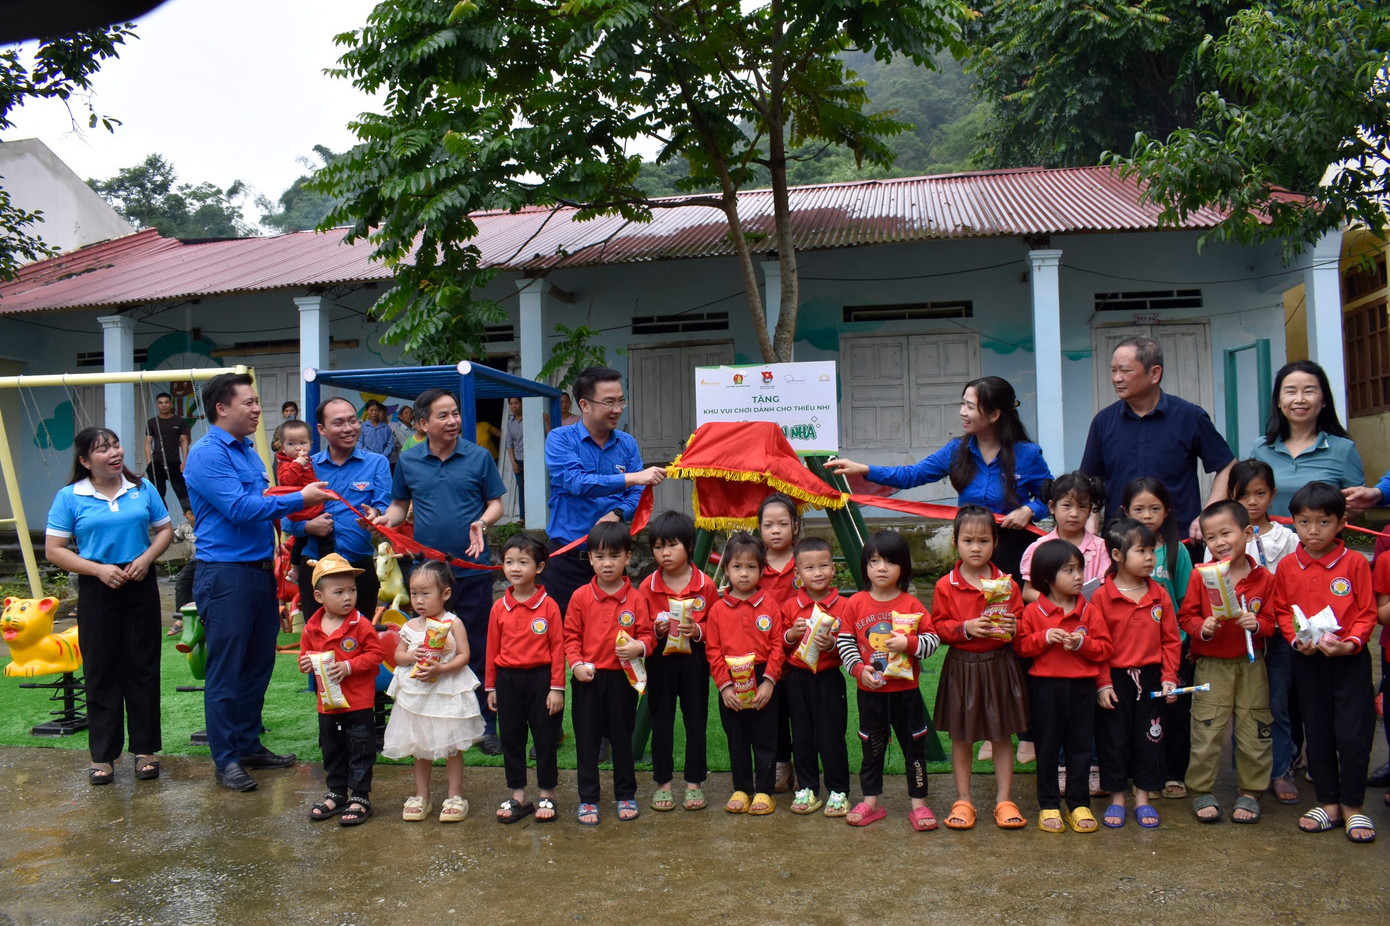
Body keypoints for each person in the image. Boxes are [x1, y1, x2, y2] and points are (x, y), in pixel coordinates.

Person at [184, 372, 332, 792]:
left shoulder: (249, 452)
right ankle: (226, 758)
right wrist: (302, 499)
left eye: (255, 402)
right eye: (248, 402)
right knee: (226, 670)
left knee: (257, 665)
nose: (255, 410)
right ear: (221, 408)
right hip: (225, 575)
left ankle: (248, 743)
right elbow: (241, 507)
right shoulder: (207, 454)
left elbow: (268, 505)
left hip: (259, 572)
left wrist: (302, 520)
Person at [373, 388, 506, 753]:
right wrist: (388, 519)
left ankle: (484, 725)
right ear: (422, 423)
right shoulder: (410, 460)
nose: (453, 421)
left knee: (475, 646)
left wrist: (481, 521)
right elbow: (400, 505)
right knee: (429, 647)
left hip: (473, 569)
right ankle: (433, 720)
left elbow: (496, 503)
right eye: (443, 415)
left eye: (455, 414)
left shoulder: (479, 456)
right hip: (428, 575)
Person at [45, 426, 173, 785]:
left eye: (116, 445)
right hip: (97, 588)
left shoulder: (142, 489)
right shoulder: (70, 497)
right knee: (101, 670)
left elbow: (163, 530)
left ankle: (145, 751)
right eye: (103, 450)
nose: (114, 453)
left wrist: (147, 559)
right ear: (85, 461)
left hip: (139, 582)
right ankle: (103, 756)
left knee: (143, 667)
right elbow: (54, 549)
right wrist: (98, 570)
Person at [827, 376, 1052, 579]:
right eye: (962, 404)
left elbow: (1049, 498)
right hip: (972, 550)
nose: (962, 412)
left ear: (994, 415)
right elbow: (911, 476)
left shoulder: (1028, 454)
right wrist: (864, 469)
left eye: (970, 406)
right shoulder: (955, 450)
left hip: (1015, 548)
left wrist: (1029, 510)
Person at [1271, 482, 1378, 843]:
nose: (1312, 531)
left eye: (1323, 522)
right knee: (1317, 733)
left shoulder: (1355, 563)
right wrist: (1296, 639)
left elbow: (1367, 612)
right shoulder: (1288, 566)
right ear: (1293, 524)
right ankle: (1328, 802)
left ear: (1341, 523)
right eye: (1303, 522)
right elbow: (1283, 611)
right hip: (1309, 660)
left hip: (1349, 661)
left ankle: (1353, 806)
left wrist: (1350, 643)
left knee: (1352, 734)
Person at [930, 505, 1030, 832]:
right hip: (962, 666)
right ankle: (963, 800)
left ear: (995, 543)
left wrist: (1012, 625)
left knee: (1002, 736)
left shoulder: (1007, 584)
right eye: (968, 540)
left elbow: (1020, 623)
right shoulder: (946, 585)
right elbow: (938, 626)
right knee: (962, 737)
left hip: (1000, 666)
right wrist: (965, 628)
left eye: (983, 541)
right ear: (955, 543)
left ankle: (1004, 800)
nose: (976, 548)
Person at [1080, 336, 1235, 538]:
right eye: (1113, 370)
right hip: (1121, 542)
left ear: (1154, 373)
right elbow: (1091, 480)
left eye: (1125, 371)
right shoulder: (1103, 421)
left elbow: (1227, 465)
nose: (1117, 378)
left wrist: (1208, 514)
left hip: (1178, 542)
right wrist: (1091, 522)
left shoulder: (1189, 416)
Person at [835, 531, 939, 830]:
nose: (881, 567)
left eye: (890, 561)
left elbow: (932, 641)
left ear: (903, 568)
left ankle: (919, 804)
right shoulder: (854, 603)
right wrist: (859, 670)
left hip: (906, 693)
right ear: (865, 566)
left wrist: (909, 644)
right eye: (874, 561)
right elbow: (846, 643)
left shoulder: (912, 605)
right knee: (872, 747)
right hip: (871, 693)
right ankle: (870, 801)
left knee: (914, 748)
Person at [1179, 501, 1275, 824]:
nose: (1219, 542)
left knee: (1254, 724)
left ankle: (1251, 791)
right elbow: (1186, 616)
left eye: (1226, 533)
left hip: (1251, 662)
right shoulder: (1200, 576)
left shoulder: (1264, 579)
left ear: (1246, 533)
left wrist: (1257, 623)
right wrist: (1201, 628)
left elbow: (1273, 622)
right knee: (1207, 725)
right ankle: (1201, 788)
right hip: (1212, 663)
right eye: (1210, 537)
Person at [543, 367, 665, 615]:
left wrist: (619, 513)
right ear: (585, 405)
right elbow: (577, 482)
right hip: (567, 559)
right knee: (564, 638)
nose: (618, 409)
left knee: (614, 636)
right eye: (609, 402)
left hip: (612, 561)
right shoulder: (560, 439)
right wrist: (631, 477)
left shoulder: (626, 443)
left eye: (621, 401)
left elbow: (638, 493)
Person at [1217, 459, 1302, 805]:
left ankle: (1281, 769)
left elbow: (1296, 583)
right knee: (1244, 706)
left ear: (1272, 495)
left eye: (1260, 494)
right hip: (1241, 636)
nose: (1252, 502)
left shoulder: (1288, 538)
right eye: (1243, 495)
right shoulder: (1226, 537)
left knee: (1276, 703)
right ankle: (1248, 770)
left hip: (1278, 633)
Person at [1088, 518, 1181, 829]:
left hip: (1152, 679)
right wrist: (1102, 684)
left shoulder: (1160, 595)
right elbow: (1098, 645)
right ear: (1117, 555)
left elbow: (1171, 640)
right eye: (1141, 551)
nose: (1150, 558)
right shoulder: (1102, 597)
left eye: (1152, 551)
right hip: (1115, 680)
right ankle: (1117, 798)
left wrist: (1170, 677)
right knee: (1113, 739)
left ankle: (1143, 797)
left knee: (1151, 738)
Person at [1015, 539, 1112, 834]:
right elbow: (1021, 647)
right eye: (1069, 570)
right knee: (1047, 747)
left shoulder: (1089, 611)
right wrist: (1044, 638)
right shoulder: (1034, 612)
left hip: (1082, 688)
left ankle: (1079, 803)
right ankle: (1048, 805)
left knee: (1080, 748)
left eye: (1079, 569)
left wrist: (1082, 643)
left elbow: (1106, 648)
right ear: (1046, 577)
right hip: (1046, 688)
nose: (1078, 576)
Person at [563, 522, 654, 825]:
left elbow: (648, 635)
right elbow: (571, 636)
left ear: (628, 557)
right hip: (588, 679)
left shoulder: (636, 598)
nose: (607, 563)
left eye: (614, 556)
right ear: (590, 558)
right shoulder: (580, 597)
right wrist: (576, 664)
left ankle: (625, 793)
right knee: (587, 741)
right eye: (600, 556)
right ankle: (588, 799)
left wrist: (638, 647)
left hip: (622, 679)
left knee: (622, 738)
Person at [383, 559, 486, 824]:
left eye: (425, 593)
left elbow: (464, 656)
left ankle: (455, 795)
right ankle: (421, 796)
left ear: (445, 593)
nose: (418, 600)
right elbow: (397, 655)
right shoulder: (410, 627)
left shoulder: (453, 623)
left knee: (452, 747)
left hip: (446, 692)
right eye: (414, 593)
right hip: (417, 696)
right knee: (420, 747)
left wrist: (441, 669)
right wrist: (409, 655)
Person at [297, 554, 385, 826]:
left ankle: (360, 796)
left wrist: (349, 667)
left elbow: (376, 654)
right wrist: (305, 663)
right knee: (332, 748)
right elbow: (305, 656)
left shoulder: (361, 624)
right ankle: (337, 791)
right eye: (339, 592)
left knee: (360, 747)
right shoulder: (312, 627)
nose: (348, 597)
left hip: (357, 702)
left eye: (352, 590)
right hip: (327, 703)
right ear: (319, 596)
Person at [637, 510, 714, 813]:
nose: (664, 553)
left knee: (696, 721)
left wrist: (698, 629)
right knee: (662, 721)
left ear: (689, 546)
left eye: (672, 545)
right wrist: (653, 630)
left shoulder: (705, 585)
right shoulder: (648, 586)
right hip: (661, 661)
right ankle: (663, 784)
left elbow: (715, 627)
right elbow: (640, 629)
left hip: (694, 661)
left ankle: (694, 784)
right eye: (658, 547)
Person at [485, 532, 565, 824]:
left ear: (539, 567)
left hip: (541, 680)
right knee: (511, 739)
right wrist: (491, 686)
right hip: (507, 681)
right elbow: (491, 649)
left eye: (523, 561)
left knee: (544, 739)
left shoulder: (549, 606)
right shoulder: (498, 607)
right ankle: (518, 795)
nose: (515, 568)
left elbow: (558, 649)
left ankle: (547, 792)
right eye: (509, 562)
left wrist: (556, 688)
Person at [284, 398, 390, 617]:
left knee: (359, 641)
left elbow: (384, 506)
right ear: (321, 429)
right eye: (339, 423)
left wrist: (376, 515)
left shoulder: (377, 463)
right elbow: (284, 517)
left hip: (359, 565)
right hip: (315, 566)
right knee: (319, 642)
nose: (348, 428)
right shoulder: (305, 466)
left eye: (353, 421)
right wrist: (308, 526)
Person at [1123, 476, 1195, 798]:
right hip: (1134, 652)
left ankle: (1173, 774)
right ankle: (1141, 775)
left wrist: (1180, 643)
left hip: (1171, 648)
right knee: (1138, 717)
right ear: (1125, 511)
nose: (1147, 515)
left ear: (1167, 511)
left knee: (1175, 712)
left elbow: (1186, 601)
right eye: (1139, 509)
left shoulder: (1177, 551)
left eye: (1155, 508)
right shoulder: (1119, 552)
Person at [705, 532, 786, 816]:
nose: (744, 573)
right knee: (737, 737)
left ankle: (764, 791)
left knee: (765, 737)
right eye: (737, 566)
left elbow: (778, 646)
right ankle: (741, 787)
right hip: (731, 679)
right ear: (726, 569)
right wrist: (725, 687)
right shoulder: (717, 609)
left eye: (751, 567)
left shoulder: (770, 606)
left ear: (762, 570)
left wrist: (769, 682)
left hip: (763, 676)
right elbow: (712, 650)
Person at [779, 536, 851, 818]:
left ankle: (838, 790)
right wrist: (791, 635)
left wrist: (832, 645)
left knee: (832, 735)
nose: (817, 572)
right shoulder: (790, 606)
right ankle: (806, 788)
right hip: (797, 678)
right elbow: (779, 642)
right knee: (803, 736)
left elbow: (850, 645)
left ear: (834, 569)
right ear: (798, 574)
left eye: (823, 566)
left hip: (830, 678)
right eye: (809, 568)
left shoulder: (844, 606)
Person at [1249, 360, 1363, 518]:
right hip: (1269, 542)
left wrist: (1319, 527)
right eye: (1290, 392)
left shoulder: (1344, 449)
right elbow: (1245, 497)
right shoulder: (1260, 448)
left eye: (1309, 391)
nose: (1299, 399)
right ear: (1278, 401)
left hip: (1318, 542)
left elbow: (1357, 506)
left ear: (1323, 401)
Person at [757, 492, 799, 792]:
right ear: (759, 528)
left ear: (795, 526)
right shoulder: (753, 563)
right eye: (768, 524)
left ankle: (806, 765)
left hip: (801, 653)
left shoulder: (806, 559)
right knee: (774, 713)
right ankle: (781, 764)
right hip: (765, 652)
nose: (775, 530)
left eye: (782, 523)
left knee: (802, 712)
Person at [1019, 473, 1108, 603]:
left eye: (1082, 507)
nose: (1074, 514)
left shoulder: (1101, 548)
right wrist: (1057, 604)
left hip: (1090, 617)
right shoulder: (1039, 548)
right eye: (1067, 506)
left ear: (1090, 510)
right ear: (1052, 507)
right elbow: (1027, 591)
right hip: (1051, 619)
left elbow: (1105, 589)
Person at [276, 419, 335, 567]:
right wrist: (297, 464)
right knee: (322, 537)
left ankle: (295, 568)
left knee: (300, 541)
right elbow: (286, 481)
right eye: (291, 444)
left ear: (311, 444)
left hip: (311, 509)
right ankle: (325, 564)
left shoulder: (310, 462)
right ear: (282, 447)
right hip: (302, 510)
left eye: (302, 443)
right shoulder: (287, 464)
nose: (298, 448)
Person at [144, 391, 192, 521]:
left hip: (174, 462)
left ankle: (192, 524)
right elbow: (148, 443)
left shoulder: (179, 421)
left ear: (171, 404)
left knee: (183, 494)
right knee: (158, 495)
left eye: (166, 402)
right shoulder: (152, 422)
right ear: (157, 405)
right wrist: (149, 463)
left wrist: (185, 461)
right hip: (157, 463)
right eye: (161, 403)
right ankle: (164, 524)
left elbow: (184, 441)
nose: (164, 405)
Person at [504, 396, 526, 521]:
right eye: (511, 404)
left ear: (522, 404)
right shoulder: (510, 422)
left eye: (516, 403)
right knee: (521, 489)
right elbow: (509, 444)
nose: (514, 406)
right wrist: (513, 462)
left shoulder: (528, 419)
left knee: (531, 488)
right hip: (518, 459)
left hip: (530, 459)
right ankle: (522, 518)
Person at [359, 399, 399, 463]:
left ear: (379, 411)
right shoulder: (362, 427)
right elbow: (359, 444)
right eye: (371, 410)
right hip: (367, 460)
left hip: (383, 460)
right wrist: (372, 456)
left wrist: (382, 456)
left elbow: (390, 444)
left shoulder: (386, 427)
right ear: (366, 411)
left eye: (376, 410)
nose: (374, 413)